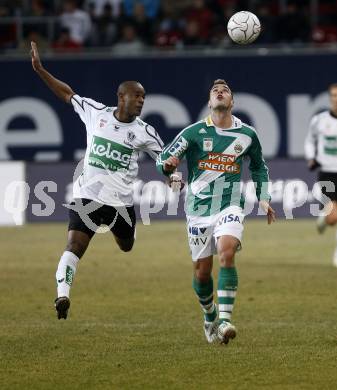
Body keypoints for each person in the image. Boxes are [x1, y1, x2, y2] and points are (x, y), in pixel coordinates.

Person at [30, 41, 181, 319]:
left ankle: (123, 234)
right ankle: (62, 295)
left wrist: (173, 174)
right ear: (121, 96)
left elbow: (165, 160)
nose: (141, 101)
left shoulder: (145, 131)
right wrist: (40, 69)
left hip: (121, 205)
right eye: (137, 96)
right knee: (74, 246)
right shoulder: (95, 112)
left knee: (126, 246)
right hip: (87, 198)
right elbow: (67, 93)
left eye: (144, 98)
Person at [157, 79, 275, 344]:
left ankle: (224, 320)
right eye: (214, 91)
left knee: (227, 250)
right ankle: (209, 315)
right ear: (210, 103)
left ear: (231, 101)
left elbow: (259, 167)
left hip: (230, 205)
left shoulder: (247, 134)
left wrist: (263, 198)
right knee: (201, 271)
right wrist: (169, 167)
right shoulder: (193, 133)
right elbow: (162, 160)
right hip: (198, 208)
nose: (220, 92)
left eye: (225, 91)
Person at [305, 83, 337, 267]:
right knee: (333, 217)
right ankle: (323, 219)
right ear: (330, 98)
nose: (336, 99)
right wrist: (311, 157)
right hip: (327, 172)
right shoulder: (319, 120)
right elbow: (310, 141)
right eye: (333, 95)